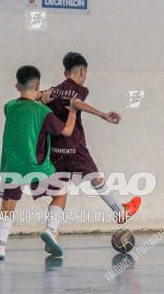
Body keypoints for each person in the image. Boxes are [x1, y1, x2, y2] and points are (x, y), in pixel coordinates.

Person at [0, 65, 78, 260]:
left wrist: (39, 96)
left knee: (7, 206)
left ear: (17, 86)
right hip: (38, 166)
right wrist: (73, 112)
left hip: (12, 166)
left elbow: (26, 104)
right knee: (61, 191)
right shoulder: (43, 112)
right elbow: (67, 130)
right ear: (38, 84)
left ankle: (0, 247)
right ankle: (51, 230)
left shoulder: (9, 107)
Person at [46, 52, 141, 238]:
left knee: (60, 191)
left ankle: (51, 231)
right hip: (74, 146)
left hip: (55, 149)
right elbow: (78, 103)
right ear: (82, 71)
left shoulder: (53, 91)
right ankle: (119, 211)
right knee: (96, 178)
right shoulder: (79, 89)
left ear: (65, 72)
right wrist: (103, 114)